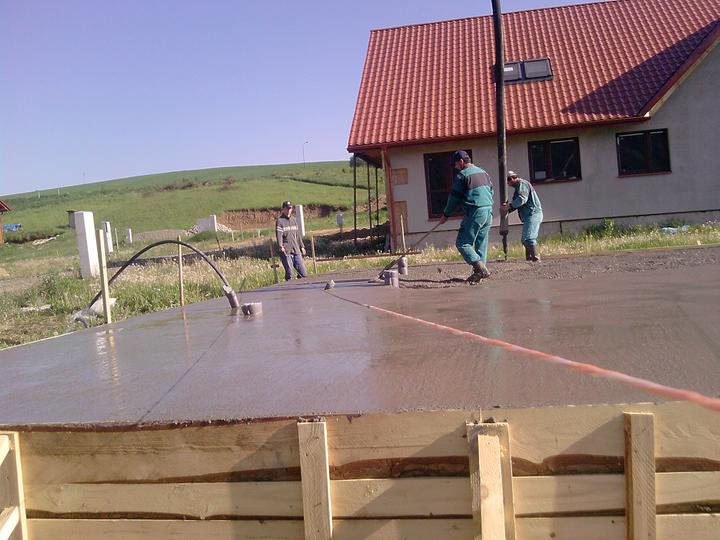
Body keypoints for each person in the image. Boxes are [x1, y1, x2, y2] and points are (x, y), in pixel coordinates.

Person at [439, 150, 494, 283]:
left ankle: (480, 269)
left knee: (463, 243)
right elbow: (491, 191)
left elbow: (454, 197)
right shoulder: (483, 172)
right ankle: (479, 274)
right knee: (481, 243)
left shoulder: (462, 175)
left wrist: (446, 214)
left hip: (475, 211)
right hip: (488, 210)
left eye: (455, 164)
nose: (455, 167)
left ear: (461, 161)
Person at [501, 171, 543, 262]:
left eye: (508, 180)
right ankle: (530, 259)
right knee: (525, 239)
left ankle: (536, 258)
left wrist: (509, 206)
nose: (507, 183)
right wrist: (507, 210)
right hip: (528, 216)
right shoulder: (518, 189)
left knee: (529, 238)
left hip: (533, 214)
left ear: (512, 178)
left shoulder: (522, 184)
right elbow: (516, 204)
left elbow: (522, 199)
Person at [275, 201, 307, 280]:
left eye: (290, 208)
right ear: (283, 209)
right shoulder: (280, 221)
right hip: (286, 251)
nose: (289, 210)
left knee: (303, 273)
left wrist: (302, 246)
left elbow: (298, 235)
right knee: (290, 274)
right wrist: (280, 246)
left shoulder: (294, 220)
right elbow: (279, 235)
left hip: (296, 250)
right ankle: (289, 286)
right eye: (287, 208)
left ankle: (300, 285)